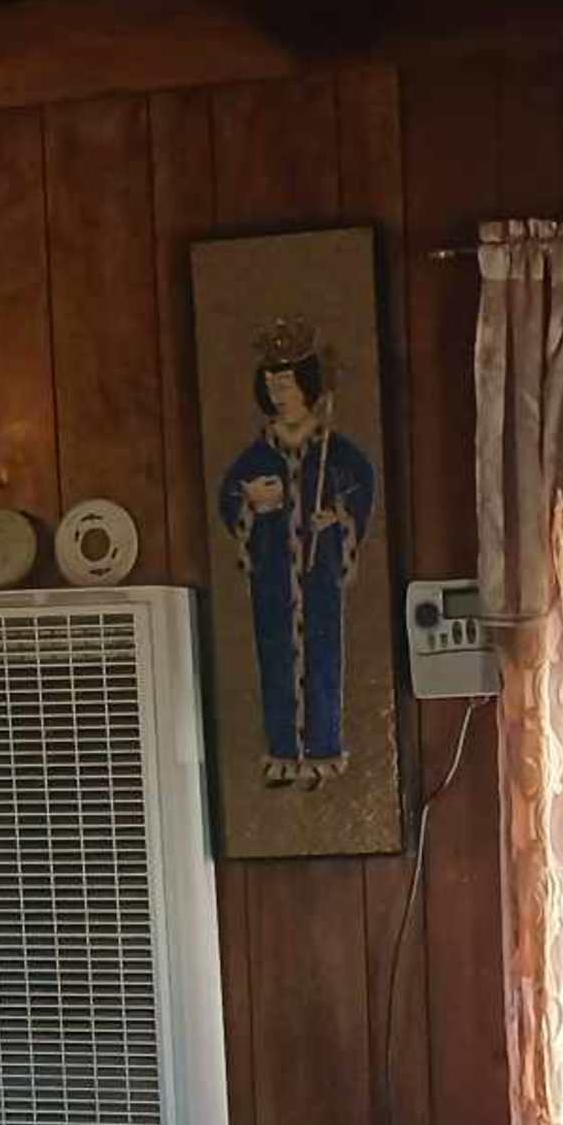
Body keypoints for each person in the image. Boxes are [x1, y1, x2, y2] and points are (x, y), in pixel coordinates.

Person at [216, 320, 380, 787]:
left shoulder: (336, 451)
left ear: (307, 388)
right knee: (275, 658)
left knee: (323, 658)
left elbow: (360, 488)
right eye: (271, 386)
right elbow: (230, 497)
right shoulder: (257, 455)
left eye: (286, 385)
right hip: (273, 575)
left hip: (319, 575)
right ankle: (284, 751)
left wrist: (338, 518)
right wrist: (252, 503)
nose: (279, 395)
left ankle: (323, 748)